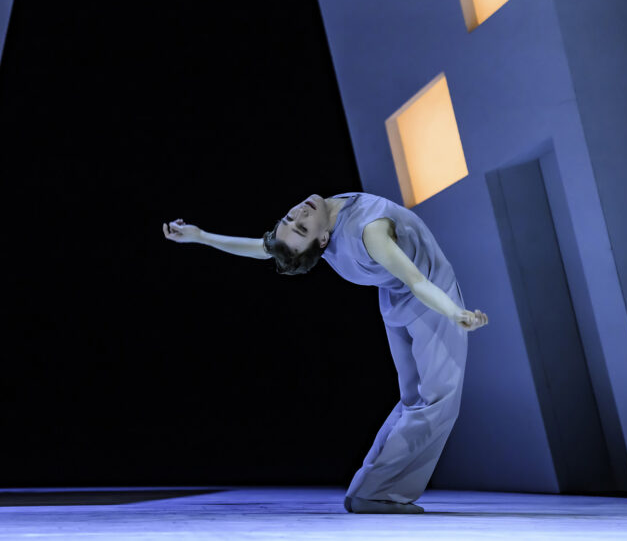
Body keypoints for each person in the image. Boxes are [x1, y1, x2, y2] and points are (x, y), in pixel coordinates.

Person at [162, 191, 487, 514]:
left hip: (396, 301)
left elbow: (261, 248)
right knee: (439, 402)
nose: (299, 213)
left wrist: (199, 236)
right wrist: (454, 312)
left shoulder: (322, 222)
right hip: (429, 297)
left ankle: (370, 488)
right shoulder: (369, 230)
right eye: (301, 227)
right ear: (322, 241)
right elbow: (417, 281)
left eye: (290, 218)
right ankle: (375, 492)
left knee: (416, 401)